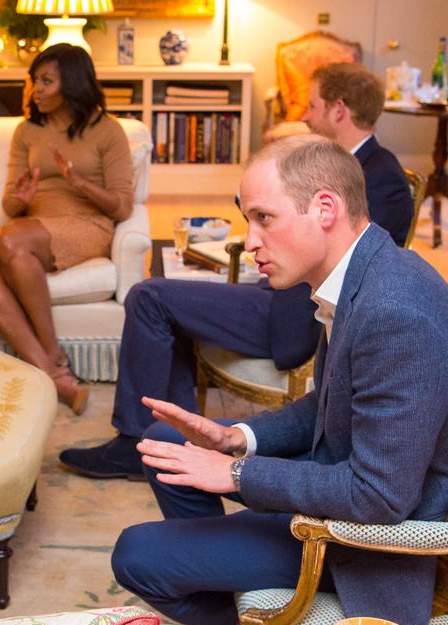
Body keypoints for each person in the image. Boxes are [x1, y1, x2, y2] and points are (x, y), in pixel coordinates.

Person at [109, 135, 448, 625]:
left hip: (381, 540)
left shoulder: (393, 312)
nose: (251, 242)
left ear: (325, 208)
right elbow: (330, 404)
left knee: (137, 555)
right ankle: (238, 591)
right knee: (161, 442)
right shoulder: (363, 273)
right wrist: (236, 439)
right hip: (353, 475)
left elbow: (378, 497)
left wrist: (237, 475)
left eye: (264, 218)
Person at [59, 61, 413, 479]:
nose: (305, 115)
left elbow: (355, 272)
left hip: (296, 310)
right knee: (167, 287)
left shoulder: (382, 177)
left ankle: (136, 444)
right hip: (278, 292)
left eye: (313, 105)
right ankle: (172, 439)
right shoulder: (332, 162)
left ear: (339, 110)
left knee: (149, 295)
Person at [0, 43, 135, 414]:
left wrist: (81, 184)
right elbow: (9, 205)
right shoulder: (28, 131)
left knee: (10, 239)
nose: (35, 90)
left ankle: (54, 356)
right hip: (31, 227)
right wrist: (21, 198)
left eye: (46, 81)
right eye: (33, 81)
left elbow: (122, 206)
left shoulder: (108, 132)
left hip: (86, 224)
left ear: (72, 83)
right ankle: (51, 374)